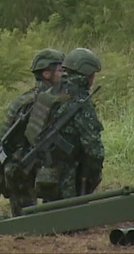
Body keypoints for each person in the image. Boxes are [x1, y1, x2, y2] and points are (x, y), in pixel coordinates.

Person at [0, 49, 66, 215]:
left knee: (24, 222)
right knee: (27, 223)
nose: (64, 74)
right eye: (60, 70)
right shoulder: (42, 101)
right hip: (23, 166)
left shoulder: (25, 98)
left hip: (18, 167)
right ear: (46, 74)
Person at [28, 47, 104, 202]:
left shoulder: (50, 93)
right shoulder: (80, 100)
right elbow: (93, 148)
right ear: (87, 75)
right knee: (68, 219)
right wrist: (94, 173)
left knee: (51, 214)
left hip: (43, 169)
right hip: (68, 175)